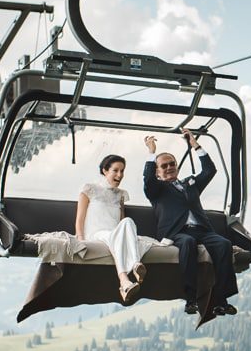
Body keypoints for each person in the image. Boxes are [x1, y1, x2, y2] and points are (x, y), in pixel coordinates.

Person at [143, 131, 239, 316]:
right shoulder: (157, 190)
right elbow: (148, 181)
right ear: (158, 171)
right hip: (176, 232)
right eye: (164, 166)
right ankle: (191, 298)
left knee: (224, 244)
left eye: (172, 164)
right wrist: (151, 152)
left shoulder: (191, 184)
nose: (169, 167)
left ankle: (220, 299)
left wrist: (195, 144)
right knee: (187, 243)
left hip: (202, 230)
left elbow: (210, 170)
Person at [75, 154, 148, 304]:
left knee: (128, 221)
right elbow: (80, 219)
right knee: (114, 236)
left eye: (122, 171)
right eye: (115, 170)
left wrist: (126, 237)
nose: (120, 175)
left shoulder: (121, 194)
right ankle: (124, 279)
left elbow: (121, 220)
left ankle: (134, 267)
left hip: (115, 233)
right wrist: (81, 240)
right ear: (105, 170)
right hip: (96, 234)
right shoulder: (90, 189)